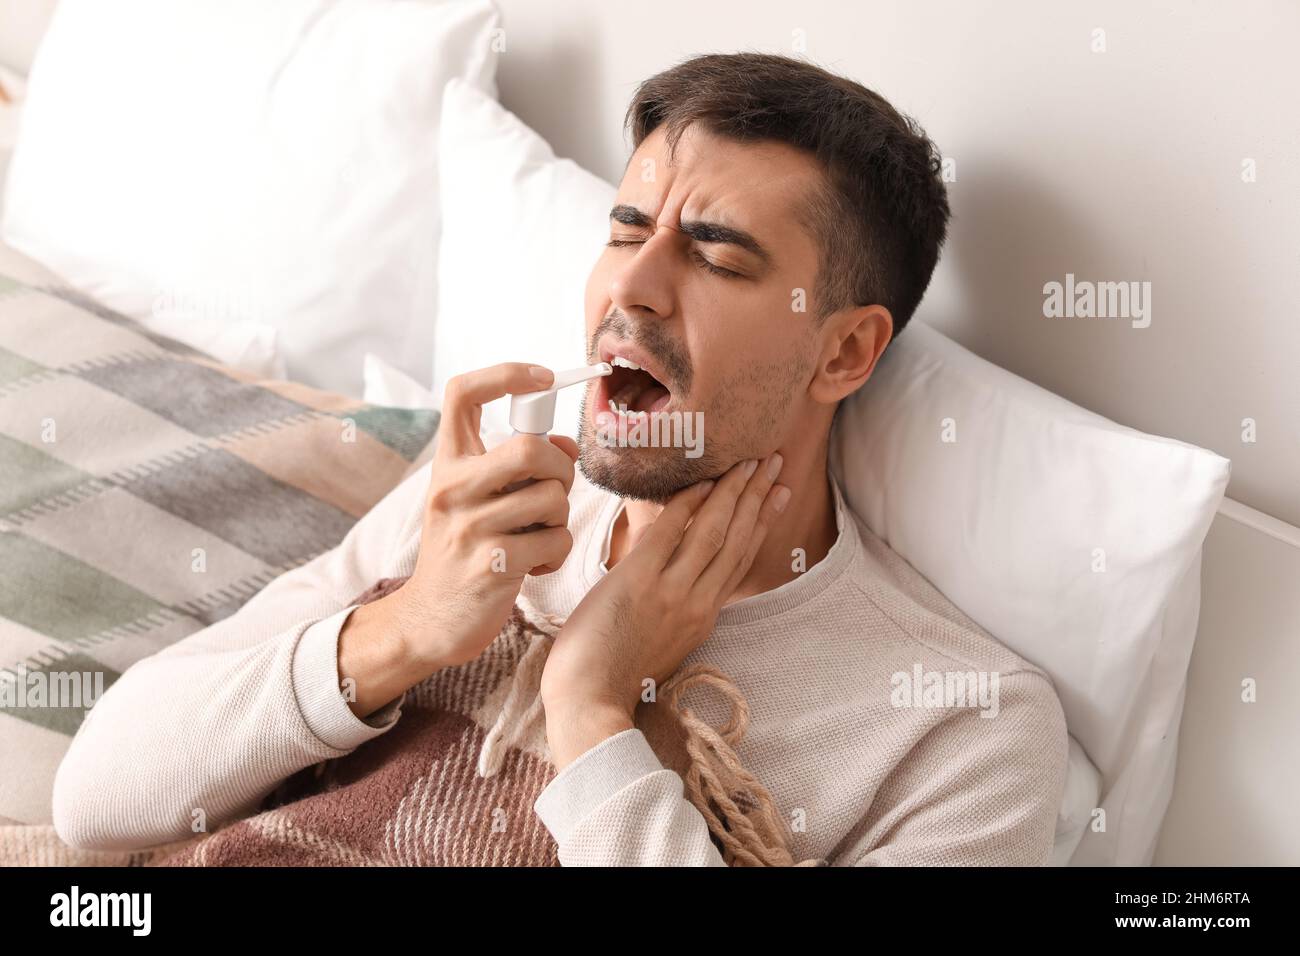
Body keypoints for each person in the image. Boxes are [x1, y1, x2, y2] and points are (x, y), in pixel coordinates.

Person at [52, 52, 1068, 866]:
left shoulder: (961, 727)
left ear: (843, 349)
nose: (635, 287)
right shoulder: (482, 513)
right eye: (627, 228)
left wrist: (591, 707)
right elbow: (96, 802)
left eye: (714, 255)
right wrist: (404, 629)